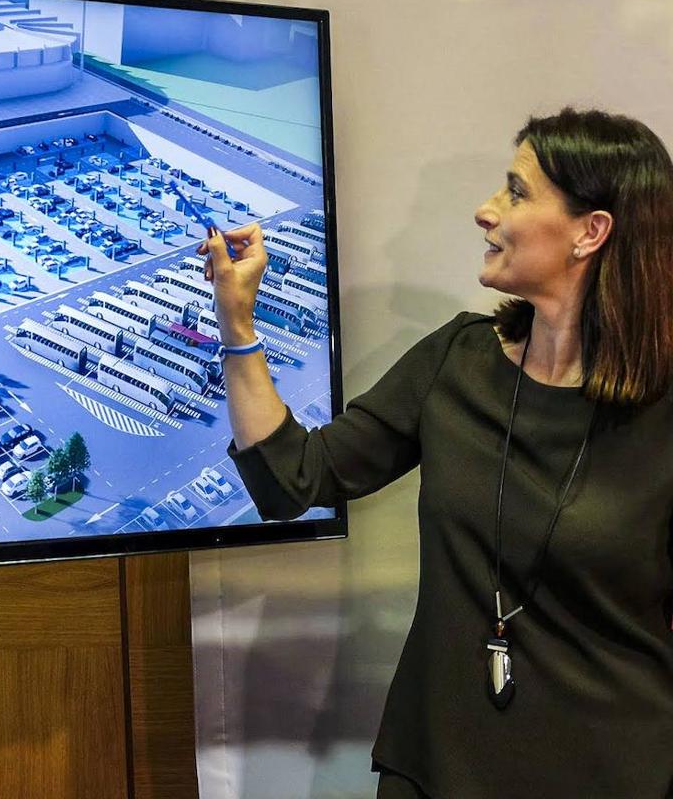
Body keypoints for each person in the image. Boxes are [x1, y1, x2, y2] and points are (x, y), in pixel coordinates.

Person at [200, 107, 673, 799]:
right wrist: (236, 321)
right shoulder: (457, 360)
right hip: (436, 768)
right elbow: (291, 480)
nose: (486, 211)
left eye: (516, 192)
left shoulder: (661, 411)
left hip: (610, 773)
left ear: (589, 232)